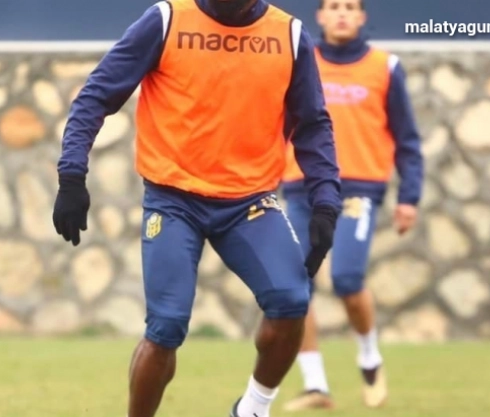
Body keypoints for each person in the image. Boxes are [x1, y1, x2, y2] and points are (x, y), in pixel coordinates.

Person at [52, 1, 343, 416]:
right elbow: (96, 96)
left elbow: (313, 124)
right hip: (173, 200)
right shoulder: (167, 19)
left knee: (291, 299)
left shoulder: (290, 35)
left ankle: (252, 409)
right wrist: (71, 175)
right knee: (166, 327)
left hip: (249, 202)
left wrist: (326, 204)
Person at [280, 0, 424, 411]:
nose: (341, 13)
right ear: (320, 16)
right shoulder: (300, 60)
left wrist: (409, 198)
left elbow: (407, 139)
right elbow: (276, 121)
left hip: (357, 191)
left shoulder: (385, 67)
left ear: (361, 17)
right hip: (302, 188)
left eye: (350, 6)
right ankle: (315, 386)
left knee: (346, 278)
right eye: (333, 6)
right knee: (295, 288)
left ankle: (369, 358)